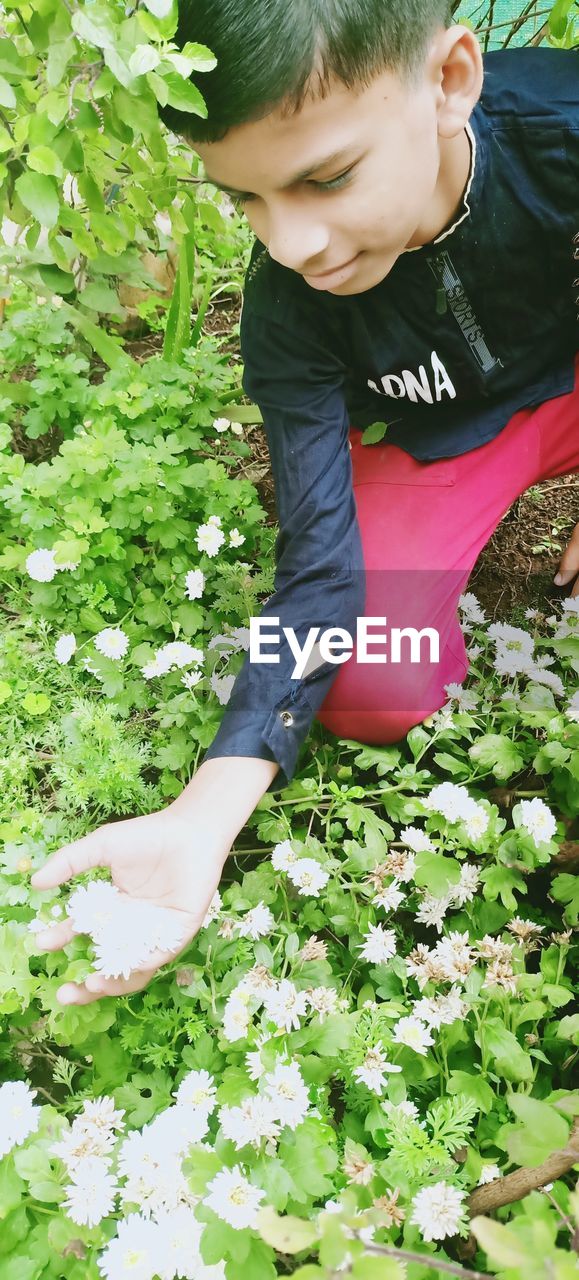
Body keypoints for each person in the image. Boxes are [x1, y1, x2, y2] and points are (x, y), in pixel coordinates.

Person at [31, 2, 579, 1004]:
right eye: (245, 196)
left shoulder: (563, 129)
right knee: (373, 678)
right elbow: (320, 575)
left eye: (326, 177)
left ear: (450, 81)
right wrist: (206, 809)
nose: (291, 243)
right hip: (463, 439)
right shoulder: (289, 308)